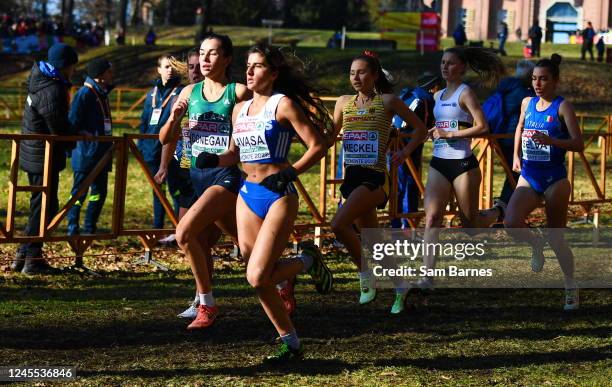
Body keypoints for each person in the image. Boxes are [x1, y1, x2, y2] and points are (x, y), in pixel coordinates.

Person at [196, 43, 334, 362]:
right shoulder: (239, 108)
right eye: (248, 65)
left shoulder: (281, 105)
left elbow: (318, 145)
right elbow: (236, 153)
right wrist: (213, 159)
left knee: (257, 276)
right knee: (261, 275)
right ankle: (291, 343)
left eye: (257, 66)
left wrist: (289, 174)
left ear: (272, 74)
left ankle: (307, 261)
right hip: (248, 195)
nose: (250, 71)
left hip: (278, 195)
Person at [159, 35, 249, 329]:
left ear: (227, 59)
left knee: (184, 233)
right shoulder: (189, 91)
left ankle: (207, 305)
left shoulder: (237, 92)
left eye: (213, 54)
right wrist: (175, 118)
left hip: (226, 177)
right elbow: (165, 138)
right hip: (197, 179)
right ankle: (284, 277)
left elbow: (255, 128)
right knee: (244, 247)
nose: (206, 60)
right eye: (202, 53)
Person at [330, 50, 427, 314]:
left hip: (375, 178)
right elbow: (328, 136)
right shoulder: (343, 103)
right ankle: (401, 285)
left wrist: (404, 152)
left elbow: (420, 130)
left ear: (375, 75)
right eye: (352, 73)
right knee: (374, 242)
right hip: (352, 179)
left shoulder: (388, 101)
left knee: (338, 225)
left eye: (361, 72)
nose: (356, 77)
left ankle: (365, 274)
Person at [419, 47, 505, 289]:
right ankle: (427, 276)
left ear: (462, 67)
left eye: (451, 63)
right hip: (439, 163)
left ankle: (497, 212)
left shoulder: (466, 93)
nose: (445, 67)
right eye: (443, 62)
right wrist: (433, 132)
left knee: (470, 228)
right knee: (432, 218)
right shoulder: (437, 96)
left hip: (463, 164)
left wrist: (451, 133)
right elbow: (442, 124)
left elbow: (482, 126)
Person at [504, 54, 583, 311]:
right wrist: (516, 154)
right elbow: (520, 127)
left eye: (544, 79)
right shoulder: (527, 102)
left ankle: (570, 285)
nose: (538, 84)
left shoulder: (562, 107)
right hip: (529, 173)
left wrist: (552, 142)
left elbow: (578, 143)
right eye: (535, 79)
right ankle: (536, 244)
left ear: (555, 81)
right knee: (511, 222)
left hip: (554, 178)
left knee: (557, 237)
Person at [12, 43, 78, 274]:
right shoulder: (52, 89)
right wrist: (74, 139)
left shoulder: (43, 81)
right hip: (43, 154)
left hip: (36, 152)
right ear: (64, 65)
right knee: (45, 206)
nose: (73, 70)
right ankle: (32, 257)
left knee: (41, 204)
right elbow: (58, 126)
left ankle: (24, 254)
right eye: (72, 66)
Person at [154, 49, 202, 247]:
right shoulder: (182, 97)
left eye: (199, 67)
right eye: (191, 67)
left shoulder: (225, 94)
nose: (195, 72)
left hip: (215, 169)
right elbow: (171, 136)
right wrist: (164, 165)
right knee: (186, 234)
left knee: (222, 228)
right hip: (185, 163)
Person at [67, 58, 114, 236]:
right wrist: (82, 134)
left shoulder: (102, 94)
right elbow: (73, 122)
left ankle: (90, 228)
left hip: (102, 153)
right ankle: (73, 227)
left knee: (99, 193)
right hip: (86, 154)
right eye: (109, 71)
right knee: (79, 193)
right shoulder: (84, 94)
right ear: (100, 75)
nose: (112, 75)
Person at [390, 71, 441, 229]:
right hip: (406, 146)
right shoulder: (423, 99)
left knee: (401, 185)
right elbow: (423, 126)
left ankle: (399, 224)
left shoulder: (412, 95)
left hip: (400, 144)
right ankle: (405, 225)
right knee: (407, 185)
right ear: (434, 87)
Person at [138, 54, 182, 230]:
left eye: (172, 66)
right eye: (166, 66)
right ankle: (157, 228)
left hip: (170, 151)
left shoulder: (180, 92)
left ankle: (178, 228)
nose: (170, 70)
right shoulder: (151, 94)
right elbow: (144, 122)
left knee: (176, 190)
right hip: (150, 151)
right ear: (159, 70)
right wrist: (141, 146)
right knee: (157, 191)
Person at [491, 60, 535, 207]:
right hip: (511, 137)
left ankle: (505, 205)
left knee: (514, 172)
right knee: (517, 172)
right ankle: (504, 206)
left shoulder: (507, 86)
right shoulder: (522, 92)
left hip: (500, 133)